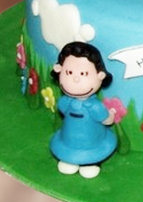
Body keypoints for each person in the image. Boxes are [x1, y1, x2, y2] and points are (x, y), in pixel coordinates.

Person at [50, 42, 117, 179]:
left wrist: (111, 115)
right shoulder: (65, 101)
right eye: (69, 72)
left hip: (93, 141)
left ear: (100, 75)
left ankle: (90, 163)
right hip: (68, 139)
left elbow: (106, 120)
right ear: (59, 70)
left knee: (91, 146)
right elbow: (62, 108)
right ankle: (69, 159)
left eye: (83, 74)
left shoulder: (94, 106)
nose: (75, 79)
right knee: (69, 142)